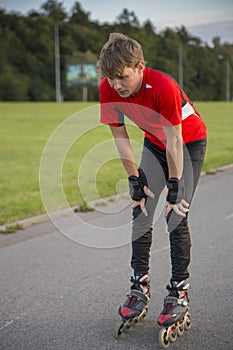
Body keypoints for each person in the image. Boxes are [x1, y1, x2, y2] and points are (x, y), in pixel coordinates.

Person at [97, 33, 207, 327]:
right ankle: (139, 285)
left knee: (176, 214)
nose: (116, 85)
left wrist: (175, 187)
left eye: (122, 77)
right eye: (110, 79)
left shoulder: (163, 87)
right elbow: (119, 137)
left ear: (140, 66)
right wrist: (135, 181)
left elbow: (175, 140)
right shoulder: (108, 88)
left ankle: (179, 290)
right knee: (141, 209)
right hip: (154, 143)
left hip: (188, 143)